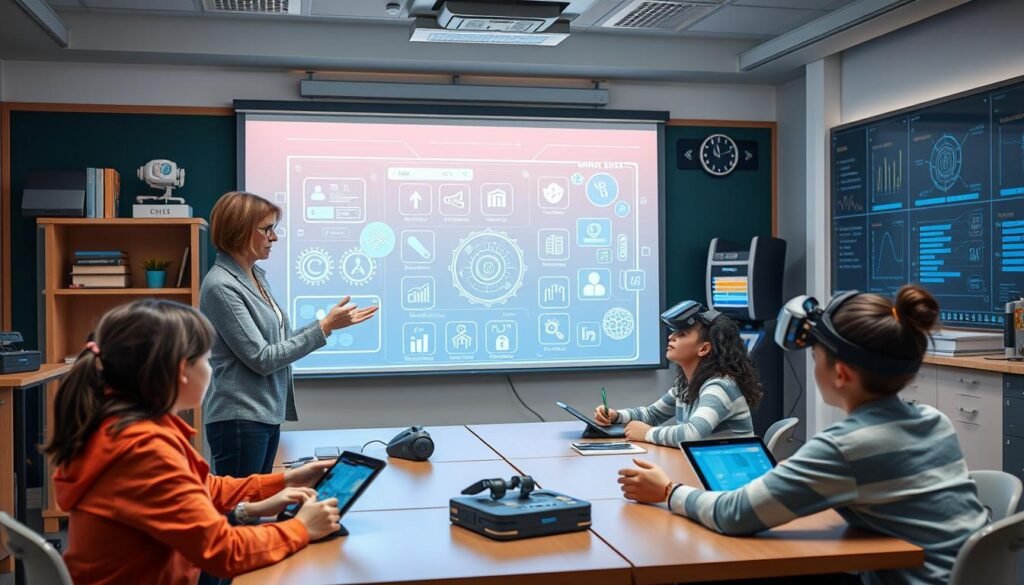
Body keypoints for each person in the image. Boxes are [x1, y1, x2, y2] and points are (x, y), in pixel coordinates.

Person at [617, 285, 988, 585]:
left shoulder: (845, 447)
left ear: (839, 374)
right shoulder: (933, 420)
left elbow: (734, 514)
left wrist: (668, 491)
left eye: (816, 357)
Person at [46, 299, 343, 585]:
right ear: (181, 371)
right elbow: (223, 551)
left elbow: (202, 486)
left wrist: (285, 480)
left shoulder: (127, 428)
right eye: (206, 359)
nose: (211, 368)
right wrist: (301, 527)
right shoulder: (143, 450)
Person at [201, 191, 378, 478]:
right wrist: (324, 327)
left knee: (257, 508)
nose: (274, 237)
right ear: (240, 230)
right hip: (239, 417)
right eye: (266, 229)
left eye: (274, 228)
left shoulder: (256, 276)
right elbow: (262, 358)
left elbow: (276, 344)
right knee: (240, 512)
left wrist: (328, 325)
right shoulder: (221, 285)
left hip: (264, 413)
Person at [593, 301, 761, 445]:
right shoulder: (686, 386)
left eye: (681, 334)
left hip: (730, 478)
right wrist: (615, 415)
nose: (671, 337)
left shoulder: (719, 386)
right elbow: (651, 414)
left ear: (703, 349)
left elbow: (692, 434)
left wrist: (647, 433)